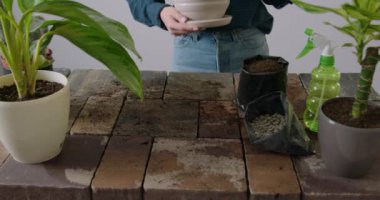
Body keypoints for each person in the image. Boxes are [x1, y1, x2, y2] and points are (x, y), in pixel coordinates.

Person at [127, 0, 291, 72]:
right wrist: (160, 11)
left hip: (249, 49)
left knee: (256, 126)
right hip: (191, 49)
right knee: (187, 131)